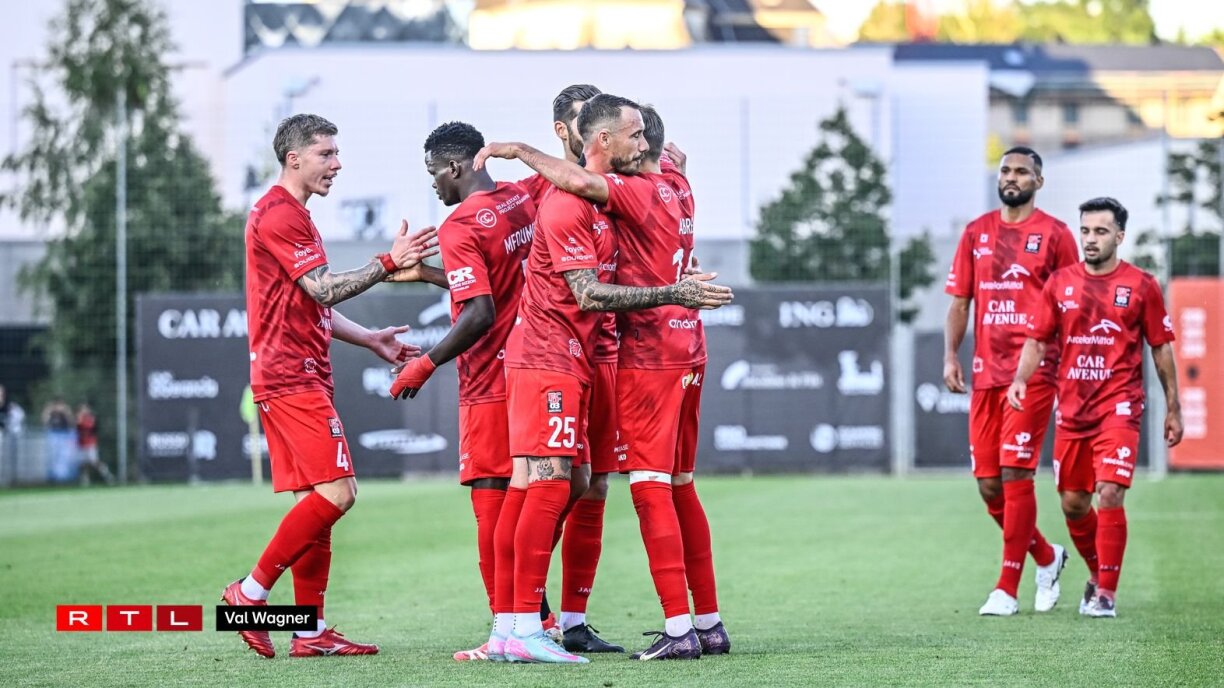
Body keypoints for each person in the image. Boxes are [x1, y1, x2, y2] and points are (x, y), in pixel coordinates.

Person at [475, 93, 732, 664]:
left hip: (611, 354)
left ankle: (551, 624)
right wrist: (675, 288)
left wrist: (520, 150)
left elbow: (588, 184)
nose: (643, 145)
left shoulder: (626, 192)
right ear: (603, 140)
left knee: (586, 483)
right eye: (632, 134)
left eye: (643, 135)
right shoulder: (630, 192)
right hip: (557, 354)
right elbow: (587, 290)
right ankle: (517, 625)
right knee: (545, 482)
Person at [221, 113, 436, 659]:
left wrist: (370, 339)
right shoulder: (280, 214)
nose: (337, 164)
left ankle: (308, 632)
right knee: (340, 493)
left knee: (315, 505)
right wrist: (388, 262)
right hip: (290, 376)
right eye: (326, 154)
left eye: (336, 153)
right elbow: (323, 289)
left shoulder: (292, 214)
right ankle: (249, 595)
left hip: (294, 373)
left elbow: (309, 301)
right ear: (294, 159)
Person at [385, 120, 537, 661]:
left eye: (434, 172)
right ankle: (536, 616)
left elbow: (480, 312)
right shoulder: (519, 199)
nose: (433, 183)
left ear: (454, 166)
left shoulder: (461, 224)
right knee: (538, 495)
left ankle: (507, 630)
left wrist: (424, 364)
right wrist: (430, 274)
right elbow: (496, 279)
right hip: (533, 368)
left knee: (491, 505)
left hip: (489, 381)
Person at [1008, 196, 1181, 618]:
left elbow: (1160, 348)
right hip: (1072, 411)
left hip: (1119, 407)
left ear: (1119, 236)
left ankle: (1106, 595)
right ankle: (1095, 572)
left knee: (1110, 492)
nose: (1090, 239)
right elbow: (1037, 340)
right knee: (1073, 504)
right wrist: (1020, 378)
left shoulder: (1141, 285)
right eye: (1085, 230)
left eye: (1100, 231)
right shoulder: (1059, 284)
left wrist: (1174, 407)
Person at [943, 146, 1079, 616]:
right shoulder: (976, 232)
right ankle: (1047, 556)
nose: (1012, 177)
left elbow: (1073, 304)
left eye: (1022, 171)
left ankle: (1006, 588)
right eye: (1006, 170)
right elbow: (960, 301)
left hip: (1035, 372)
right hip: (986, 373)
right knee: (988, 485)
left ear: (1038, 182)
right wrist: (951, 356)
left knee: (1016, 473)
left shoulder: (1056, 235)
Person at [75, 402, 114, 486]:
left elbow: (91, 429)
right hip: (81, 444)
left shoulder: (90, 418)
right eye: (82, 409)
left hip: (90, 443)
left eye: (85, 409)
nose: (84, 411)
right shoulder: (79, 418)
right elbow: (77, 429)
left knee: (94, 462)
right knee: (83, 463)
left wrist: (80, 421)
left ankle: (107, 474)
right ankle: (85, 480)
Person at [42, 396, 76, 483]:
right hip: (53, 435)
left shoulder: (65, 414)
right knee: (54, 456)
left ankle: (63, 477)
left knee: (63, 456)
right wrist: (47, 410)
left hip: (64, 435)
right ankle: (54, 476)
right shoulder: (51, 413)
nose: (59, 407)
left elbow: (72, 423)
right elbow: (45, 422)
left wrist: (67, 413)